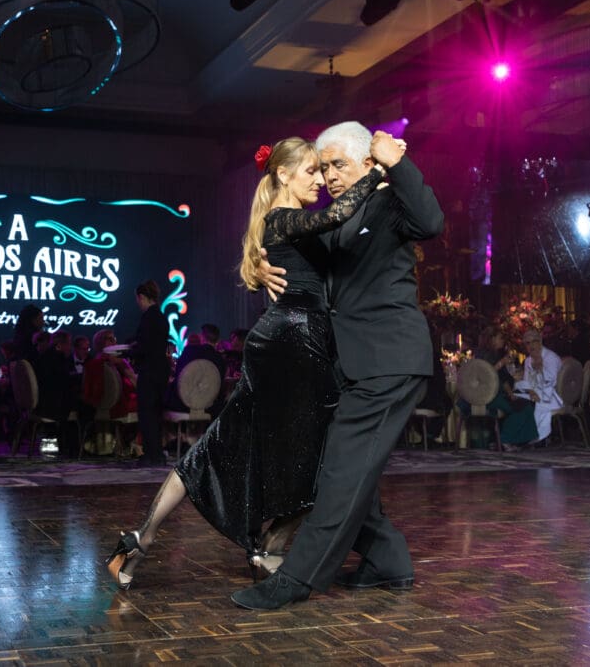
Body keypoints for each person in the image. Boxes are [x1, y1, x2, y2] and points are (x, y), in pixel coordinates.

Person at [104, 137, 385, 589]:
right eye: (310, 171)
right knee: (325, 463)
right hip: (296, 346)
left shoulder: (284, 225)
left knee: (228, 446)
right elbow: (336, 215)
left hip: (286, 342)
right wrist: (377, 173)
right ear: (284, 176)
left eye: (320, 171)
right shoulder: (284, 217)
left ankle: (142, 538)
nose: (319, 180)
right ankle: (266, 550)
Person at [232, 122, 443, 611]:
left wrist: (398, 162)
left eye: (337, 164)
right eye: (322, 167)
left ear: (368, 163)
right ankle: (387, 561)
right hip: (353, 364)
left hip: (387, 359)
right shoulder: (337, 218)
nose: (327, 176)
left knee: (341, 473)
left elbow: (431, 222)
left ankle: (297, 579)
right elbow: (299, 264)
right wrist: (262, 267)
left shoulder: (391, 202)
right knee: (341, 465)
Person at [129, 279, 172, 466]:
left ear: (142, 297)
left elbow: (144, 346)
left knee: (147, 413)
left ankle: (150, 455)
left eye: (138, 299)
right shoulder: (161, 316)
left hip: (150, 370)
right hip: (161, 369)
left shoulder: (148, 317)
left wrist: (128, 351)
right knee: (156, 413)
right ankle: (157, 455)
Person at [521, 329, 562, 443]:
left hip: (553, 393)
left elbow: (551, 381)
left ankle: (537, 436)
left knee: (535, 404)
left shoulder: (550, 357)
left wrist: (540, 367)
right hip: (534, 392)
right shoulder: (528, 361)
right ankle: (519, 437)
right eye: (527, 343)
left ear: (539, 342)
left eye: (533, 342)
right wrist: (530, 391)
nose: (531, 346)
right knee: (516, 401)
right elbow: (526, 381)